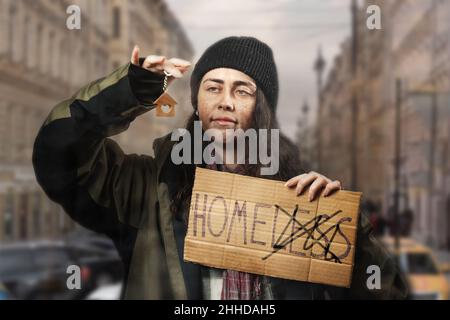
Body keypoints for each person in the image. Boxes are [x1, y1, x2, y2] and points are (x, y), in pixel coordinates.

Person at [32, 36, 408, 300]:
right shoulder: (147, 189)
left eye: (242, 90)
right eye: (213, 87)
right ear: (197, 101)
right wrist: (130, 90)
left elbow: (387, 293)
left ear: (261, 107)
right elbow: (59, 155)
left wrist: (344, 231)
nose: (225, 102)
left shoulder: (302, 200)